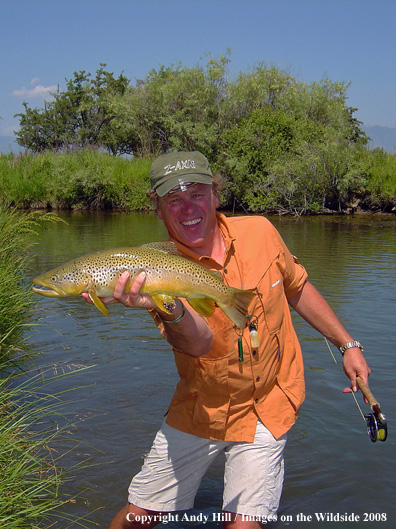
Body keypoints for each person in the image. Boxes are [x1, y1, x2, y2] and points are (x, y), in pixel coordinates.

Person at [82, 151, 370, 529]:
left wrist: (347, 345)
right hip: (202, 404)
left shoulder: (261, 232)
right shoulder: (152, 270)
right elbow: (197, 344)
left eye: (197, 194)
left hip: (271, 399)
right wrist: (169, 308)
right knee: (138, 518)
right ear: (158, 209)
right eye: (174, 199)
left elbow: (297, 287)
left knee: (244, 525)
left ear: (216, 195)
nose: (187, 208)